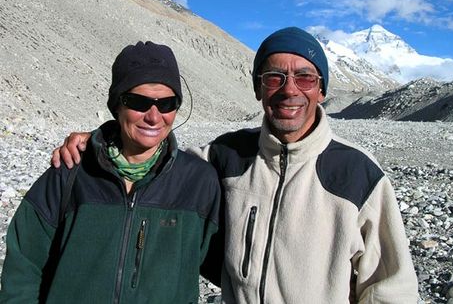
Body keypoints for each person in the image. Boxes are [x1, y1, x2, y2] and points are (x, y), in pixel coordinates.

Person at [50, 28, 419, 303]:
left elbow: (390, 288)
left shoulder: (358, 175)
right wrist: (102, 141)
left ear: (321, 89)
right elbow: (155, 156)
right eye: (274, 77)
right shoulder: (225, 156)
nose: (290, 90)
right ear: (259, 88)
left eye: (305, 77)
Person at [0, 41, 220, 303]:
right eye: (138, 102)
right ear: (117, 105)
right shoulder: (69, 171)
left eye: (166, 103)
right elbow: (23, 267)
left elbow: (231, 266)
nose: (153, 116)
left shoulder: (199, 181)